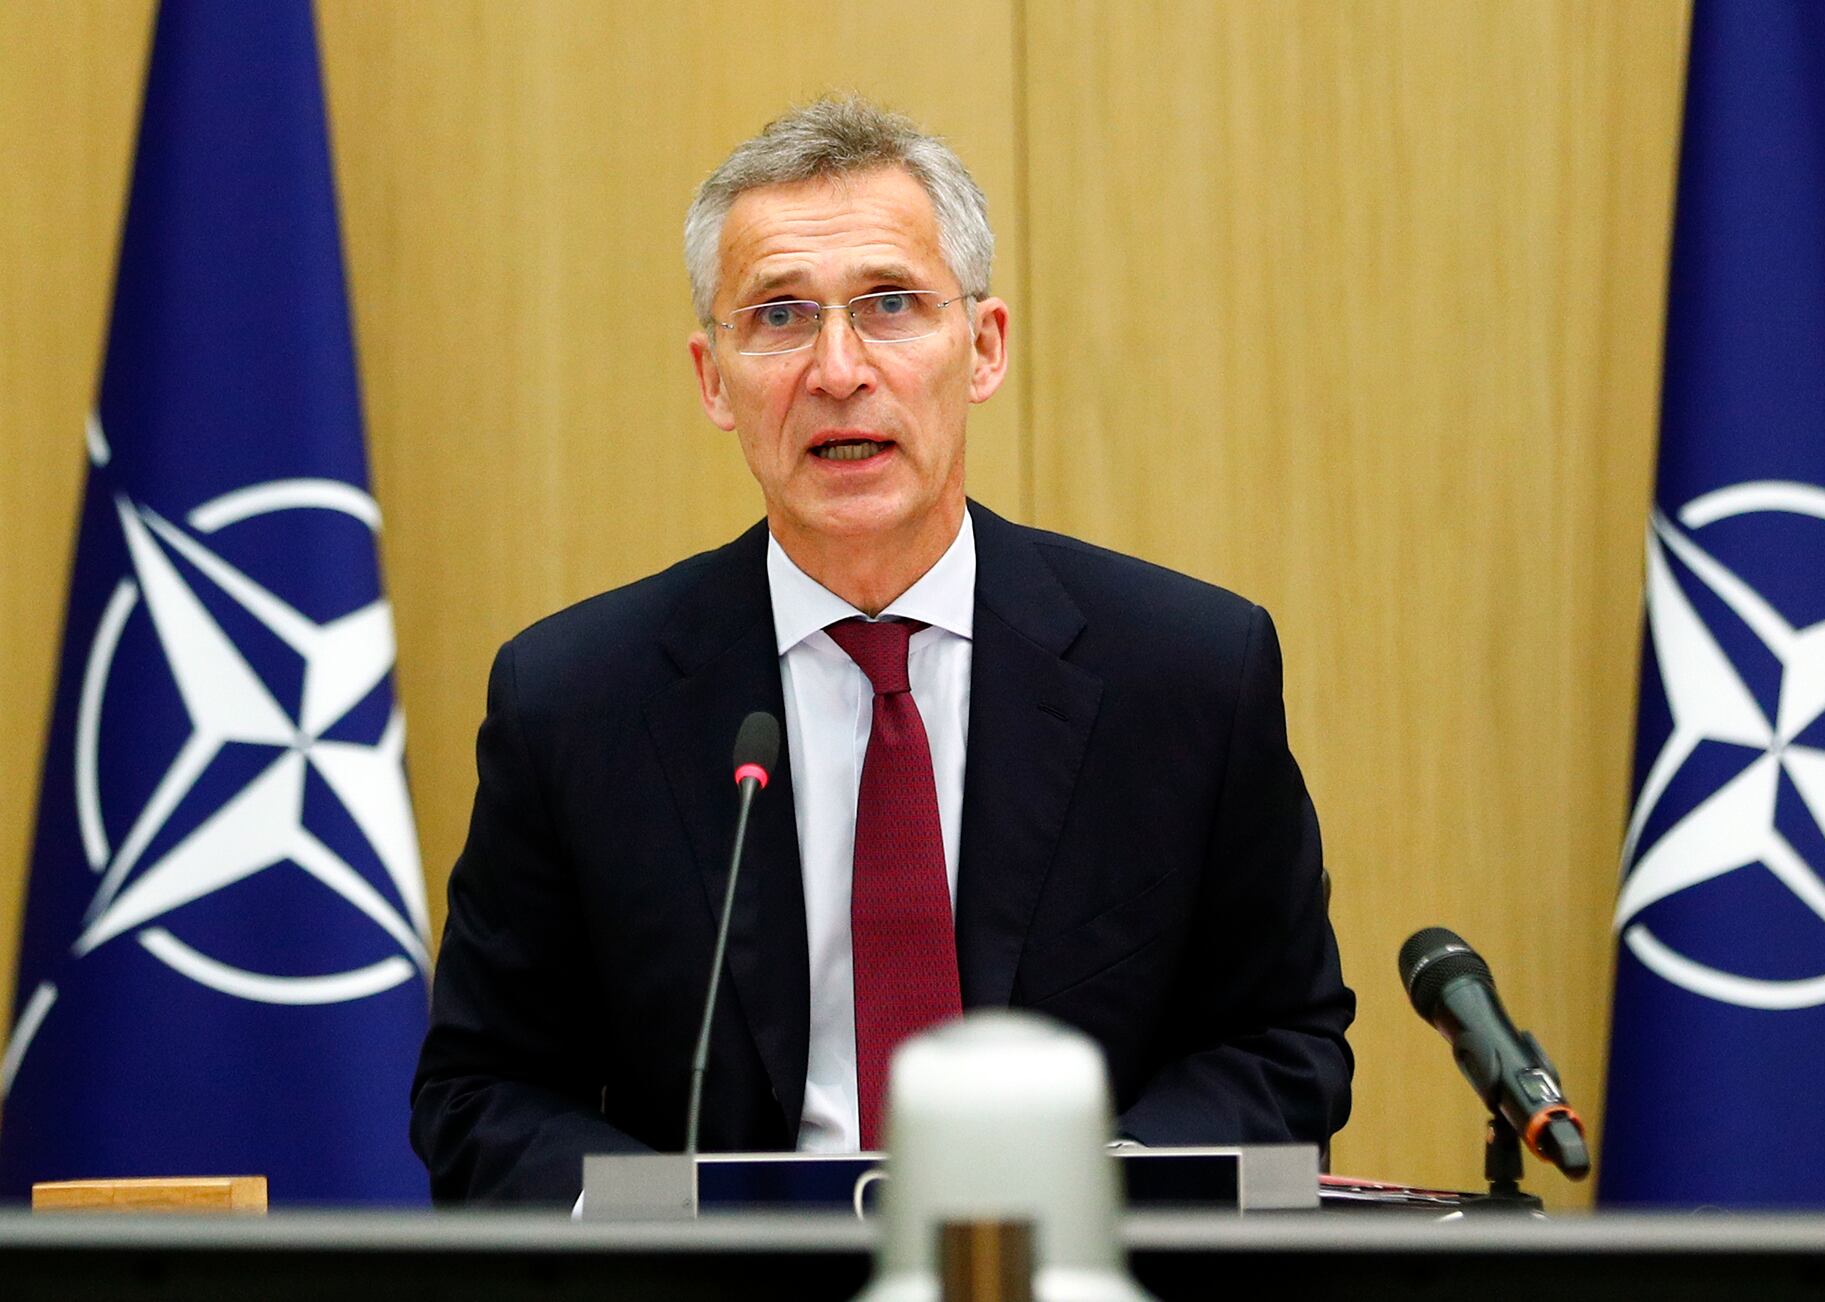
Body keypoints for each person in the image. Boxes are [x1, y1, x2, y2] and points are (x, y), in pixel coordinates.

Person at [410, 96, 1354, 1204]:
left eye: (890, 304)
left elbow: (1282, 1043)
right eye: (777, 318)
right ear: (713, 379)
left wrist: (1105, 1196)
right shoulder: (573, 700)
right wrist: (684, 1230)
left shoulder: (1188, 672)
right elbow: (483, 1088)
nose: (838, 368)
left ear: (983, 348)